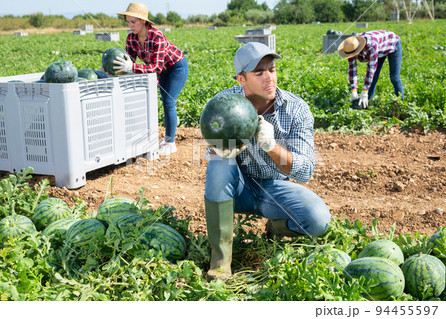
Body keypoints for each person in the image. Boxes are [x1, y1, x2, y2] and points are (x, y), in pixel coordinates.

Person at [203, 42, 331, 281]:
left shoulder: (296, 109)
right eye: (259, 73)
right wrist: (221, 150)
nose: (269, 78)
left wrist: (271, 147)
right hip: (237, 188)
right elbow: (210, 153)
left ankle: (275, 228)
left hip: (274, 189)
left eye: (271, 70)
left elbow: (305, 171)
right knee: (219, 165)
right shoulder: (223, 103)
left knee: (318, 219)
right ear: (242, 79)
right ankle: (220, 263)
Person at [115, 3, 189, 155]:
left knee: (168, 102)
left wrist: (132, 67)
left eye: (133, 22)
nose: (130, 26)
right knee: (158, 100)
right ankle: (163, 137)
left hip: (177, 67)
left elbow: (156, 68)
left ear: (143, 21)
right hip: (161, 70)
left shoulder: (157, 36)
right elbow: (130, 61)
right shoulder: (131, 38)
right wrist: (114, 68)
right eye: (128, 22)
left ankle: (170, 142)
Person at [338, 30, 404, 109]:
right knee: (374, 77)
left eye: (354, 54)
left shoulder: (371, 45)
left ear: (359, 49)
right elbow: (352, 70)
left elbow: (371, 69)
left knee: (394, 77)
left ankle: (400, 104)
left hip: (392, 43)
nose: (353, 56)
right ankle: (366, 103)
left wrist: (364, 91)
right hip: (380, 47)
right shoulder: (350, 48)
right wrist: (353, 90)